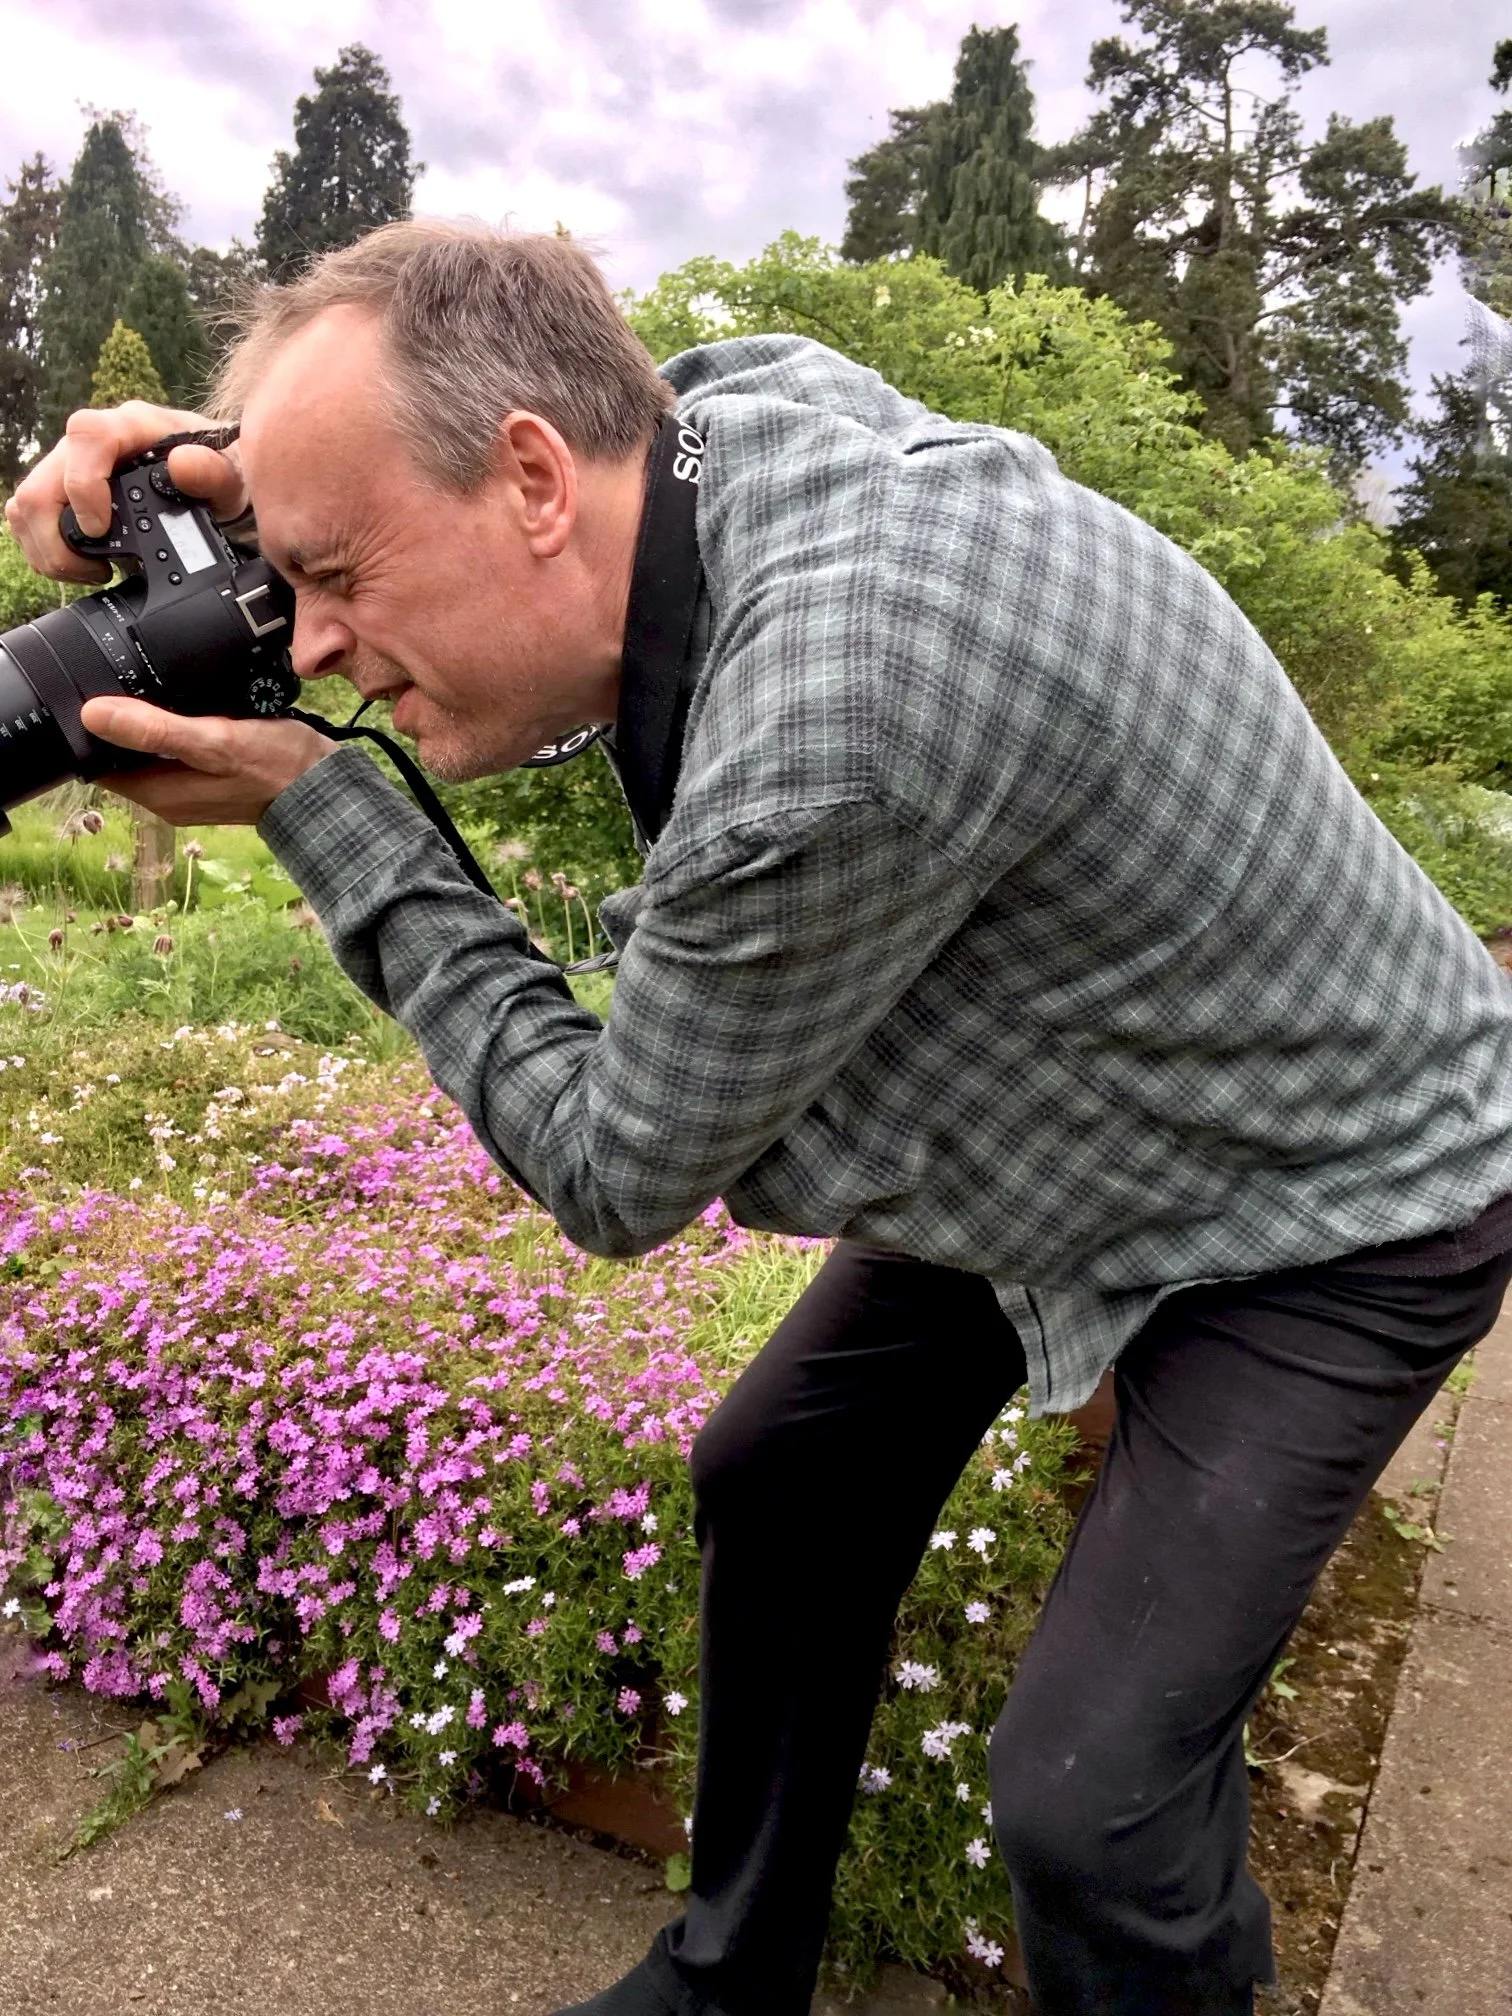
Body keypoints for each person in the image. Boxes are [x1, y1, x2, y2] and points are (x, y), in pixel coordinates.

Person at [10, 221, 1512, 2016]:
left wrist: (331, 816)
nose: (313, 646)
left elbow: (614, 1165)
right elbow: (493, 434)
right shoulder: (721, 430)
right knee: (779, 1475)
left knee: (1090, 1809)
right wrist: (260, 476)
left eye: (330, 573)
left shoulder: (849, 702)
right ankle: (736, 1979)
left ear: (535, 479)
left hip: (1337, 1190)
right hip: (1073, 1107)